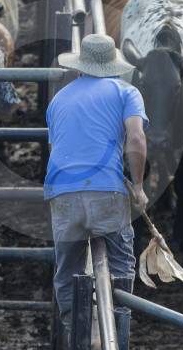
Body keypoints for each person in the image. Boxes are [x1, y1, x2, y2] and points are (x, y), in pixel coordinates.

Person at [45, 33, 148, 329]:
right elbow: (137, 139)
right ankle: (117, 333)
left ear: (80, 66)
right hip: (105, 190)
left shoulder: (59, 99)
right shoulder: (126, 92)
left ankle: (72, 335)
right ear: (112, 65)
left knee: (67, 271)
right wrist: (138, 187)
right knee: (120, 265)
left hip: (62, 192)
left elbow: (57, 148)